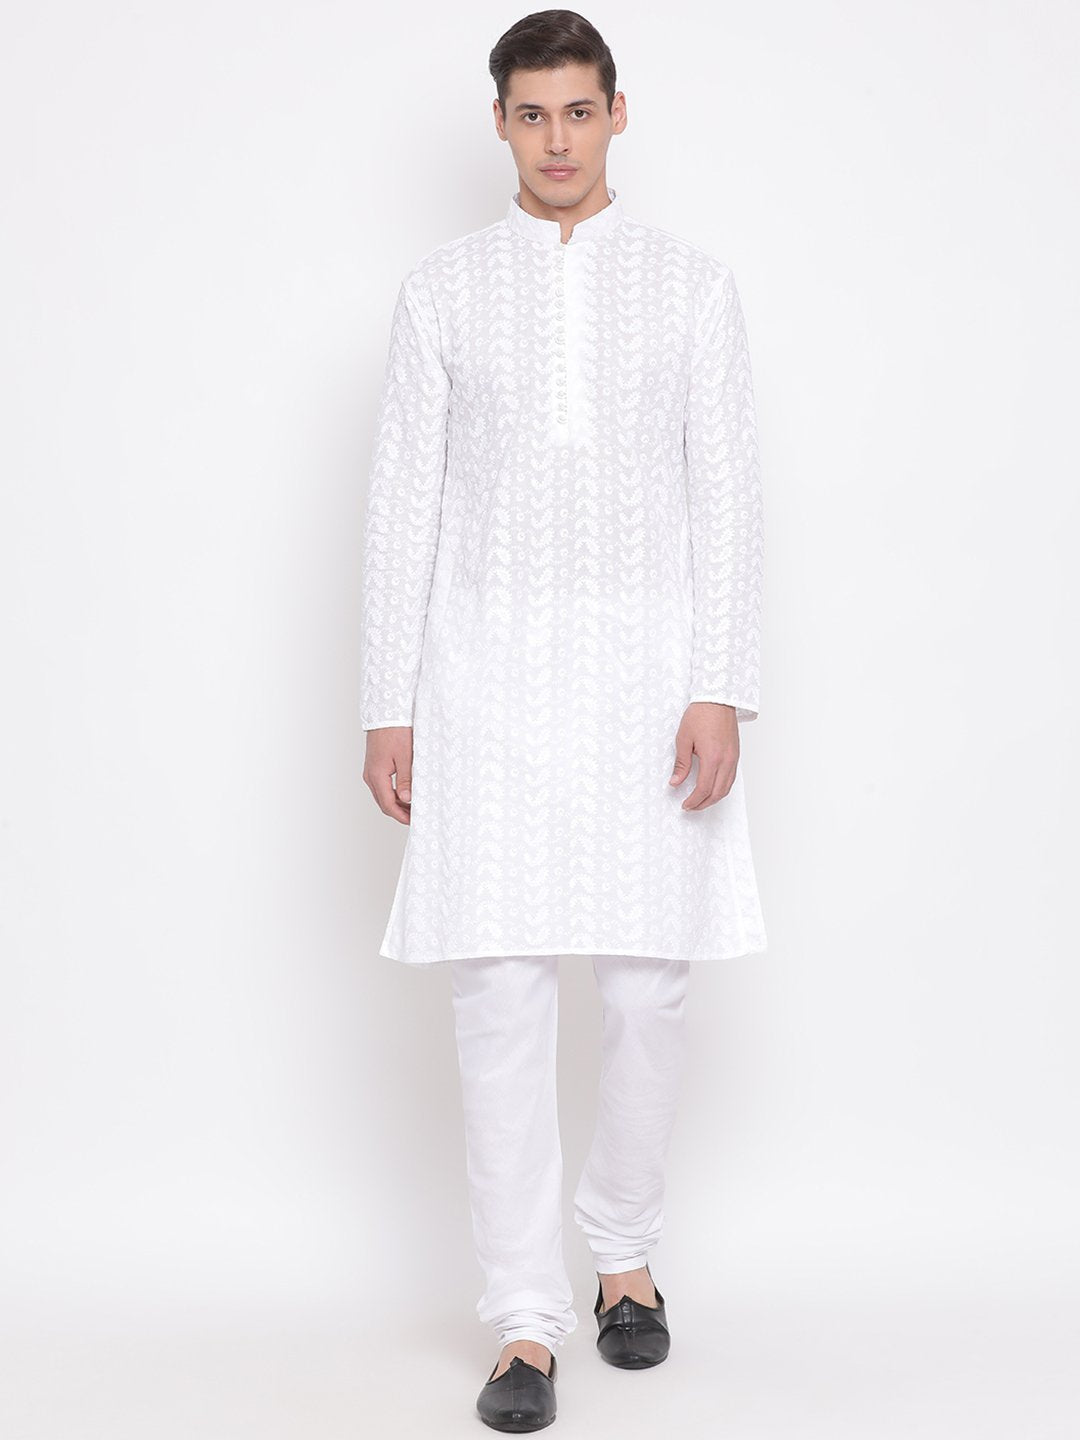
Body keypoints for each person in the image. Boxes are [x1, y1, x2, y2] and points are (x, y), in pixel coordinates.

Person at [360, 10, 767, 1430]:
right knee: (501, 999)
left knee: (649, 988)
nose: (555, 139)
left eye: (577, 111)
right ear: (499, 123)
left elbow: (729, 498)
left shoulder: (692, 287)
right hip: (484, 683)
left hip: (651, 685)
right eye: (530, 114)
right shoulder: (443, 291)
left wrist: (719, 682)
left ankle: (624, 1256)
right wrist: (388, 704)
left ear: (617, 115)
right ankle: (525, 1323)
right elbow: (402, 504)